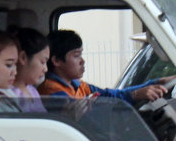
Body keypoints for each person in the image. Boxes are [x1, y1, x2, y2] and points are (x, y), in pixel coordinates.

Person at [38, 30, 168, 102]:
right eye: (76, 55)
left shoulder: (79, 85)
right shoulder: (52, 91)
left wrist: (157, 82)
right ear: (56, 61)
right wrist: (135, 94)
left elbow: (110, 94)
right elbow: (78, 110)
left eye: (81, 55)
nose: (82, 61)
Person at [8, 27, 49, 114]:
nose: (45, 69)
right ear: (23, 57)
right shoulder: (8, 95)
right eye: (42, 62)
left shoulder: (32, 91)